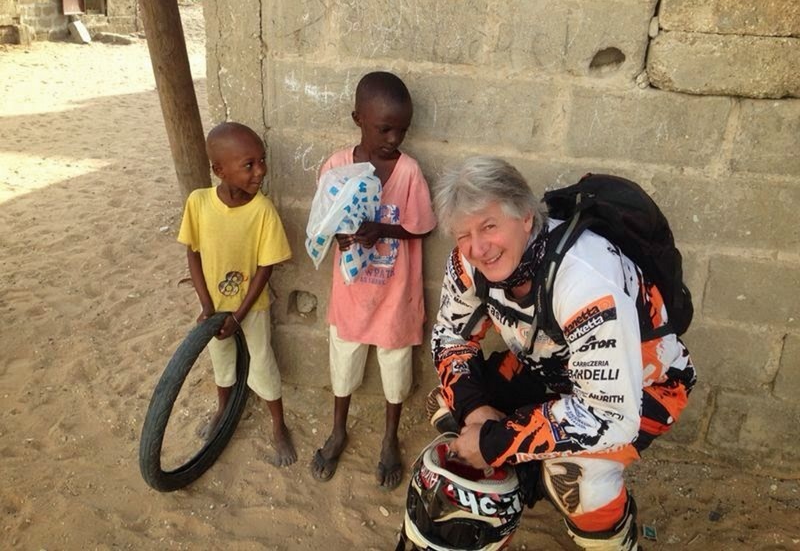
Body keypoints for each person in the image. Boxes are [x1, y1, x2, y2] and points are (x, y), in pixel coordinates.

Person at [429, 156, 696, 550]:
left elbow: (609, 416)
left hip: (643, 389)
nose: (478, 248)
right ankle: (520, 482)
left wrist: (495, 442)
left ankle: (614, 540)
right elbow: (449, 335)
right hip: (550, 369)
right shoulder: (470, 262)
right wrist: (475, 411)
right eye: (463, 234)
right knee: (449, 407)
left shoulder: (585, 280)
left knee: (573, 479)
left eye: (489, 226)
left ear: (525, 217)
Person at [310, 71, 437, 489]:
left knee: (395, 367)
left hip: (394, 294)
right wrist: (340, 235)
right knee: (343, 360)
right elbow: (324, 219)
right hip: (352, 293)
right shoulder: (337, 167)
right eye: (384, 129)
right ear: (358, 119)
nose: (394, 138)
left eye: (402, 130)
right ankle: (338, 430)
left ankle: (389, 438)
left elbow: (421, 226)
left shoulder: (408, 172)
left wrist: (381, 229)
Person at [178, 121, 297, 467]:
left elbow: (265, 267)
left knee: (261, 360)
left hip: (251, 306)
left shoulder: (262, 211)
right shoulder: (198, 203)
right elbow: (193, 253)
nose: (260, 171)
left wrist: (240, 314)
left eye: (262, 160)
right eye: (249, 165)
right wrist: (207, 305)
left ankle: (278, 424)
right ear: (220, 170)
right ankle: (223, 409)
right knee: (221, 359)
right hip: (215, 307)